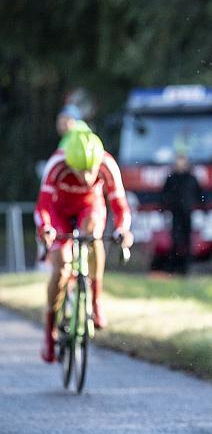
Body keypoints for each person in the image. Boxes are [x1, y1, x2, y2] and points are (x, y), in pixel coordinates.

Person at [35, 131, 133, 363]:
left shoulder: (107, 164)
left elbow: (120, 205)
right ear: (70, 163)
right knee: (61, 268)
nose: (88, 177)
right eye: (81, 171)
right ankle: (50, 331)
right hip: (59, 212)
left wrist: (122, 230)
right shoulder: (57, 164)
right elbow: (43, 207)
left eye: (91, 170)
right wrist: (46, 229)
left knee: (94, 237)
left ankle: (96, 299)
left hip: (89, 208)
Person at [161, 154, 203, 275]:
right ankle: (173, 267)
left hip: (187, 214)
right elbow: (164, 194)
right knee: (175, 240)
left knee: (187, 241)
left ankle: (186, 268)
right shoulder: (171, 178)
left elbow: (199, 195)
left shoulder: (191, 178)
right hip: (175, 213)